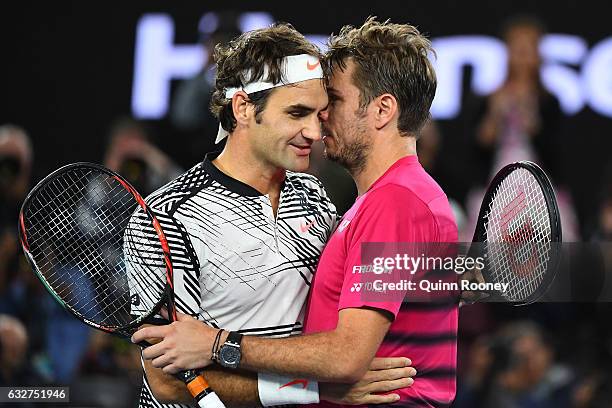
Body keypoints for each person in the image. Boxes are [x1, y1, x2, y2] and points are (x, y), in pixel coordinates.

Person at [135, 17, 458, 407]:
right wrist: (313, 391)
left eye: (327, 106)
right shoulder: (165, 217)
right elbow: (166, 383)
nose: (315, 129)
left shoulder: (318, 197)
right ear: (242, 108)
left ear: (383, 110)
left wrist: (219, 345)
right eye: (297, 113)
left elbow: (348, 349)